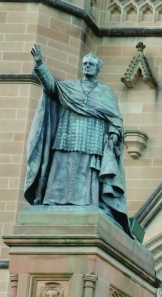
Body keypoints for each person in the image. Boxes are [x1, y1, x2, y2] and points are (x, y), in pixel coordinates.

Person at [25, 45, 131, 235]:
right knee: (62, 168)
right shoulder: (70, 87)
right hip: (67, 135)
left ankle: (90, 202)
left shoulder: (106, 93)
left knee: (88, 172)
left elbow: (115, 117)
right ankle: (54, 200)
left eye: (91, 64)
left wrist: (115, 132)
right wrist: (40, 64)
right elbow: (51, 87)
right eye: (85, 64)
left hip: (93, 139)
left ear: (98, 69)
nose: (88, 66)